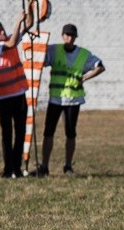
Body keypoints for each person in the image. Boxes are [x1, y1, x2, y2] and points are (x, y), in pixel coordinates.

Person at [35, 23, 105, 177]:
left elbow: (100, 66)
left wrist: (85, 77)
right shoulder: (54, 50)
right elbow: (39, 61)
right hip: (56, 98)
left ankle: (67, 166)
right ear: (62, 36)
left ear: (75, 37)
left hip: (73, 100)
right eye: (67, 35)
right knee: (48, 132)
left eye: (72, 35)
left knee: (70, 133)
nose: (69, 38)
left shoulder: (84, 54)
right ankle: (44, 166)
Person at [0, 0, 35, 178]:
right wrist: (18, 20)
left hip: (19, 93)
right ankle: (8, 169)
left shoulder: (6, 39)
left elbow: (29, 24)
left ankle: (16, 167)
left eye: (2, 29)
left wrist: (29, 9)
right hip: (4, 97)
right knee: (7, 134)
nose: (2, 32)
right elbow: (13, 41)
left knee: (21, 132)